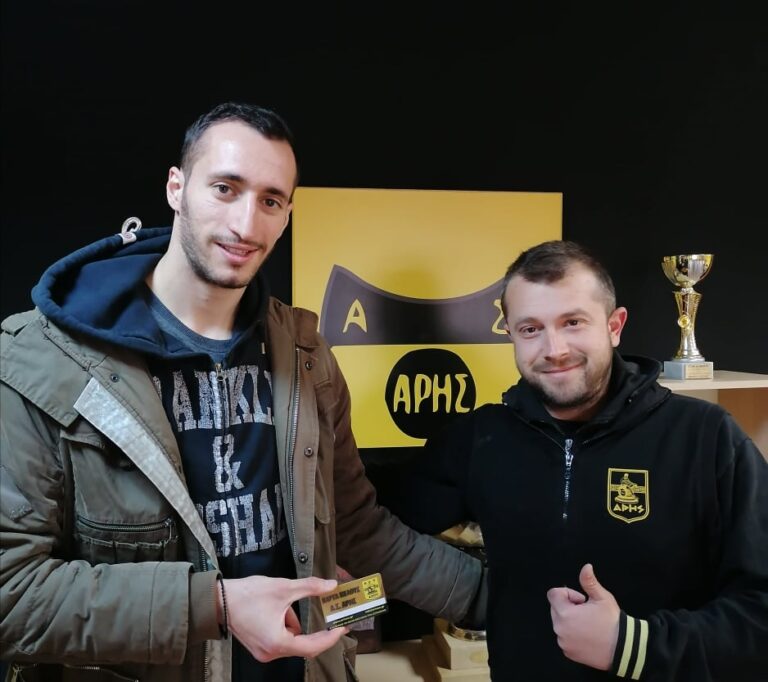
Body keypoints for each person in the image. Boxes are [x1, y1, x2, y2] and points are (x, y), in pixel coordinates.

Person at [0, 102, 484, 682]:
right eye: (225, 189)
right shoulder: (43, 359)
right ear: (177, 188)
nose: (247, 225)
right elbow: (11, 592)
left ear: (287, 215)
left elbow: (358, 527)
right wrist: (217, 605)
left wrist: (498, 598)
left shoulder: (307, 355)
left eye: (271, 201)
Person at [388, 240, 768, 680]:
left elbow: (759, 613)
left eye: (573, 322)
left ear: (614, 326)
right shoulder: (482, 438)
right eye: (531, 329)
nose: (554, 349)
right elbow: (376, 512)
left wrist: (630, 645)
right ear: (510, 334)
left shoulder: (706, 437)